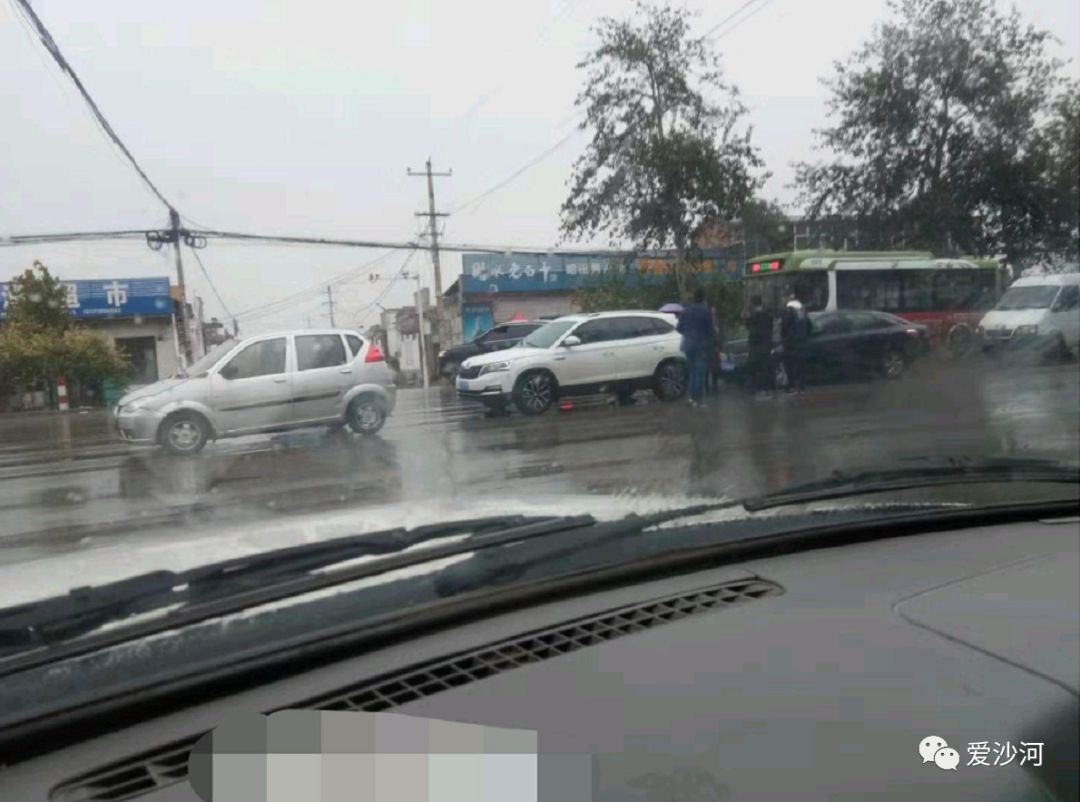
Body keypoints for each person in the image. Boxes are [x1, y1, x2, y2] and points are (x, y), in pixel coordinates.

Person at [676, 287, 715, 406]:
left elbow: (679, 328)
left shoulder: (685, 311)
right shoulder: (705, 311)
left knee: (692, 372)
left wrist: (688, 333)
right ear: (703, 298)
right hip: (701, 344)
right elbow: (710, 330)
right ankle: (699, 400)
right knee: (700, 372)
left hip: (688, 344)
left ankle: (692, 398)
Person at [779, 290, 810, 394]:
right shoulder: (802, 309)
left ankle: (791, 387)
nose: (783, 300)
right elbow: (809, 324)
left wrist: (784, 339)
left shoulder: (788, 310)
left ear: (788, 298)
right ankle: (802, 387)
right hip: (802, 341)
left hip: (791, 342)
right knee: (801, 365)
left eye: (784, 297)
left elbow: (785, 326)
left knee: (790, 365)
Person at [745, 295, 774, 398]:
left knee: (755, 368)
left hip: (756, 347)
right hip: (766, 345)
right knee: (765, 368)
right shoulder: (767, 314)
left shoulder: (753, 316)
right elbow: (770, 328)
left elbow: (751, 330)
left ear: (752, 304)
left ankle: (758, 390)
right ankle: (767, 389)